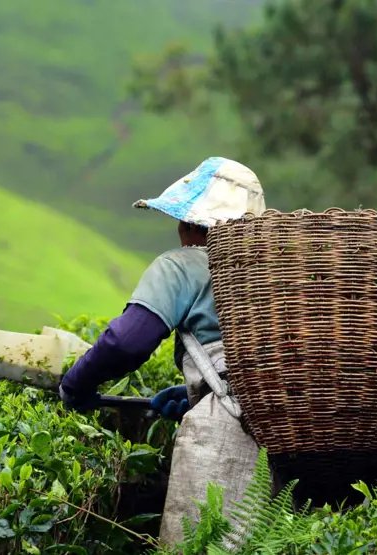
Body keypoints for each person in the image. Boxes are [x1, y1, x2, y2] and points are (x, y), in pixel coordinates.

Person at [57, 156, 267, 547]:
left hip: (229, 432)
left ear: (189, 224)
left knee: (201, 542)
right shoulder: (273, 275)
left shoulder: (185, 264)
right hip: (284, 428)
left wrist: (76, 383)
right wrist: (195, 395)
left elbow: (127, 341)